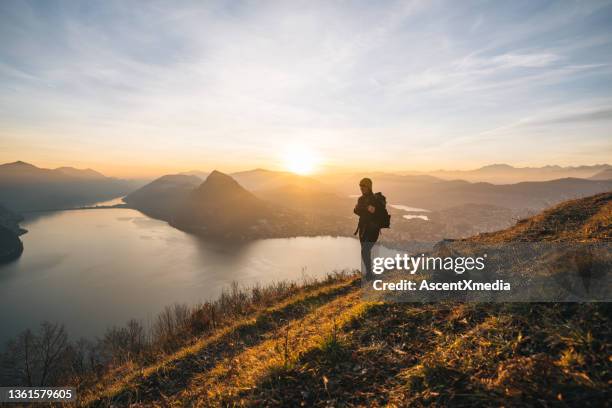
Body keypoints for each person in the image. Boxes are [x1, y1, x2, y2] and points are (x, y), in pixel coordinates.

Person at [353, 177, 382, 280]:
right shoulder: (360, 199)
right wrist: (366, 208)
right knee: (365, 251)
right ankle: (369, 273)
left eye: (363, 186)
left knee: (365, 251)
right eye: (360, 186)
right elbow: (356, 210)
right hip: (363, 229)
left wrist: (366, 210)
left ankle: (369, 274)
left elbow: (378, 212)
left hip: (373, 229)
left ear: (369, 186)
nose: (361, 188)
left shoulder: (375, 199)